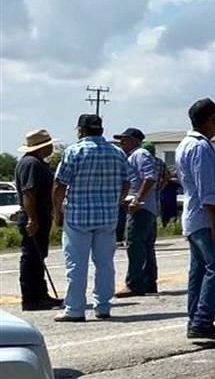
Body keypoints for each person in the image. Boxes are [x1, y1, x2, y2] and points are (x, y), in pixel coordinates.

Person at [53, 114, 129, 322]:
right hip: (107, 216)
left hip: (78, 216)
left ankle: (75, 309)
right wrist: (116, 201)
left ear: (81, 130)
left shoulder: (74, 151)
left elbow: (60, 184)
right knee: (105, 263)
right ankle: (103, 306)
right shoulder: (117, 152)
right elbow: (126, 182)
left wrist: (57, 211)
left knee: (77, 264)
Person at [175, 99, 215, 340]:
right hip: (205, 219)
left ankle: (196, 320)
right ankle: (202, 320)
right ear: (208, 121)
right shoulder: (200, 147)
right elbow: (206, 188)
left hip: (194, 218)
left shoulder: (186, 144)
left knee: (199, 271)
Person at [14, 129, 61, 311]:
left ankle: (41, 294)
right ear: (42, 147)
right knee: (31, 257)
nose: (51, 147)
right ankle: (31, 298)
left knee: (38, 256)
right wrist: (33, 219)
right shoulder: (31, 163)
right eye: (49, 144)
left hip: (40, 214)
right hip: (34, 215)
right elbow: (28, 193)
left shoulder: (36, 162)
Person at [114, 127, 159, 298]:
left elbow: (150, 177)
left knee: (134, 244)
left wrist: (136, 198)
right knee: (145, 246)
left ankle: (134, 283)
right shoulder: (132, 156)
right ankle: (148, 282)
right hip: (143, 207)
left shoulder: (140, 154)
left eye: (125, 139)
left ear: (134, 140)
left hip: (140, 207)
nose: (122, 142)